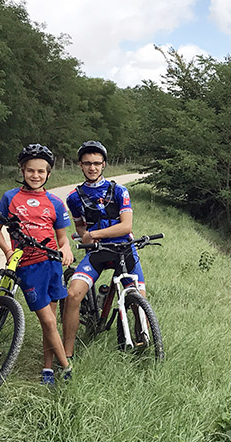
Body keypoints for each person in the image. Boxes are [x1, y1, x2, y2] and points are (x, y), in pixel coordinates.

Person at [0, 144, 75, 386]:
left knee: (51, 321)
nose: (35, 175)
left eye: (40, 171)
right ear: (22, 170)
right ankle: (67, 368)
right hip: (27, 266)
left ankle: (48, 367)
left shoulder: (55, 202)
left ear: (48, 174)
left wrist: (66, 248)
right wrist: (8, 250)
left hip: (53, 266)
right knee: (47, 321)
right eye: (30, 171)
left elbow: (62, 237)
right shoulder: (11, 197)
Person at [62, 140, 145, 359]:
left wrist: (94, 234)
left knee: (140, 302)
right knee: (73, 294)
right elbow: (80, 225)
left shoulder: (119, 191)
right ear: (80, 165)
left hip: (124, 249)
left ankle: (141, 346)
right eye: (87, 163)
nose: (92, 168)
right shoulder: (74, 197)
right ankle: (67, 354)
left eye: (97, 163)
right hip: (97, 253)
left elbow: (126, 226)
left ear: (104, 164)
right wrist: (84, 234)